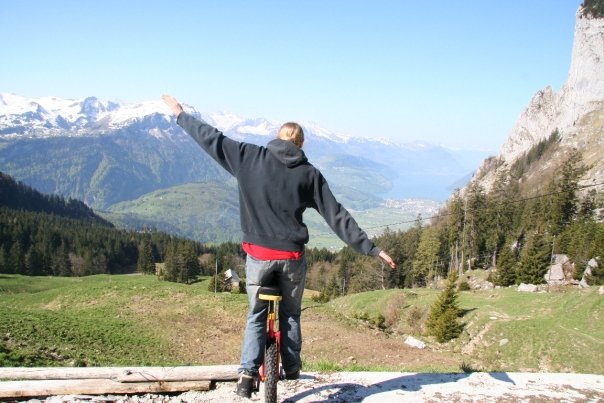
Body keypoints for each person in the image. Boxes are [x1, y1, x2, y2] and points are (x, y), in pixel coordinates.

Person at [161, 94, 396, 398]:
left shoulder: (248, 156)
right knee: (291, 314)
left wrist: (180, 114)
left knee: (256, 315)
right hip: (291, 257)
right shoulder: (309, 174)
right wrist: (371, 248)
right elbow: (336, 215)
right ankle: (293, 367)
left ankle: (247, 375)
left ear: (276, 137)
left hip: (258, 256)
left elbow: (212, 139)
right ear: (301, 144)